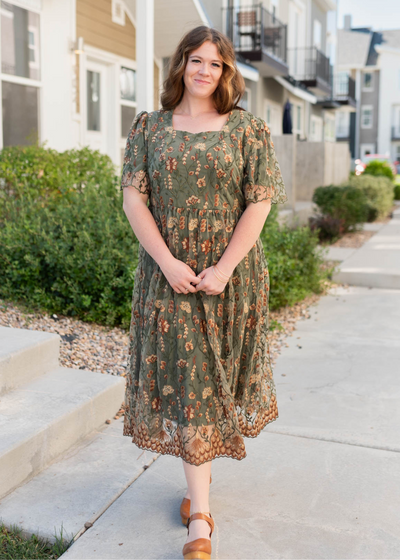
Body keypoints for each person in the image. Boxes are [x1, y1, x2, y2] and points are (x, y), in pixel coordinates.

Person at [120, 25, 288, 560]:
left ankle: (197, 499)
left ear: (226, 71)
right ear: (181, 65)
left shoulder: (247, 130)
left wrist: (222, 268)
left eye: (215, 63)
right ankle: (201, 521)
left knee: (210, 390)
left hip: (229, 279)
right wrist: (168, 262)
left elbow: (257, 204)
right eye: (196, 60)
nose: (204, 71)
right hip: (168, 277)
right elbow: (133, 200)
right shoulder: (150, 128)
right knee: (190, 387)